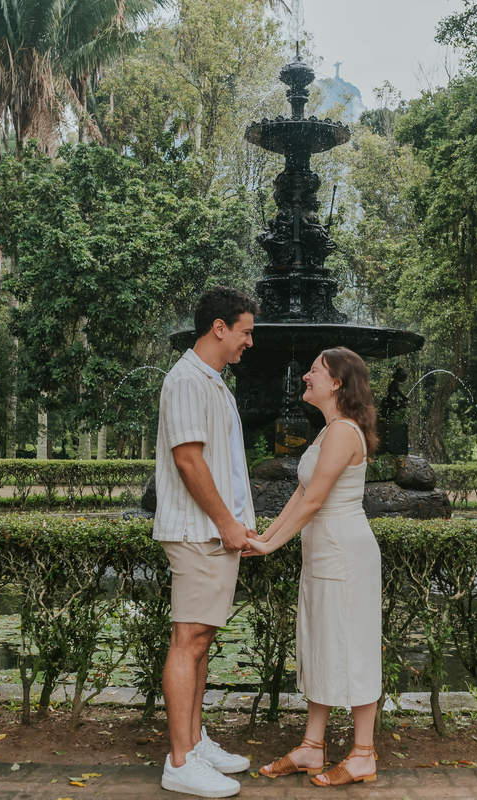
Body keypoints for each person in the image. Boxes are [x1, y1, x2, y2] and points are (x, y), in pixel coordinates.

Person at [247, 347, 382, 788]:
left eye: (315, 371)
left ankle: (363, 755)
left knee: (354, 647)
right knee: (321, 643)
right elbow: (301, 494)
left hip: (344, 553)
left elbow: (317, 500)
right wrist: (266, 537)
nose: (306, 376)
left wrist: (272, 547)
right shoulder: (328, 433)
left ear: (337, 383)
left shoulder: (343, 432)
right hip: (324, 552)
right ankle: (312, 746)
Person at [155, 286, 260, 798]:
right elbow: (188, 461)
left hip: (217, 533)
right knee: (187, 639)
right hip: (199, 532)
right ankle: (180, 762)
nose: (249, 342)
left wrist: (239, 523)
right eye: (245, 332)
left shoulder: (214, 383)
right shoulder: (186, 382)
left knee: (202, 641)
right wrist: (226, 523)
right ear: (219, 327)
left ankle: (194, 744)